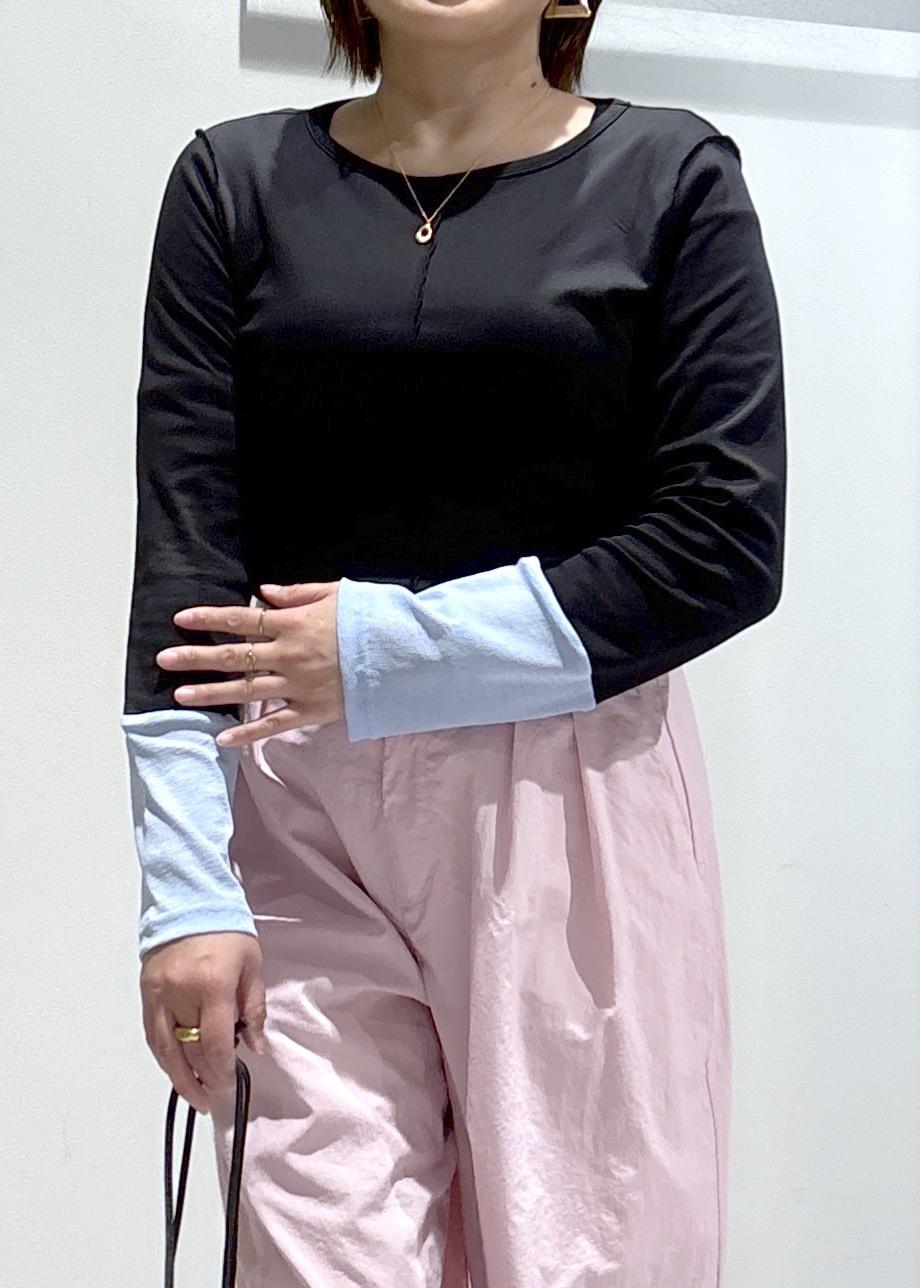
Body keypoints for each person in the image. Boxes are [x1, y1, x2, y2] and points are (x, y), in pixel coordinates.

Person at [119, 0, 786, 1281]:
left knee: (585, 1252)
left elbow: (721, 542)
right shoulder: (231, 183)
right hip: (294, 801)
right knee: (315, 1251)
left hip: (570, 799)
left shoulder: (669, 177)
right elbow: (184, 556)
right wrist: (185, 891)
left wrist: (381, 651)